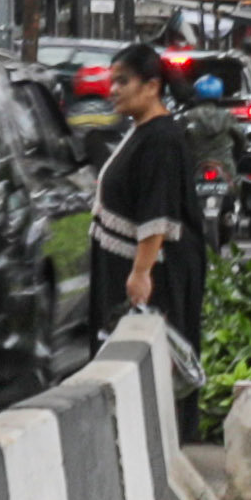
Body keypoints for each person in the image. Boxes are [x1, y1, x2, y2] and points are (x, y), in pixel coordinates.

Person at [85, 45, 209, 340]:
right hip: (124, 269)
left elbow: (158, 212)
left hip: (157, 279)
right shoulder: (143, 131)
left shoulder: (162, 140)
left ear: (152, 87)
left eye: (123, 81)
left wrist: (141, 273)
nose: (113, 90)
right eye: (112, 82)